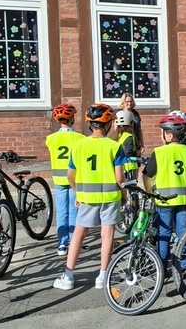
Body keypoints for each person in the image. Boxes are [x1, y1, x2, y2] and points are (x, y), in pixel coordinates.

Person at [53, 103, 126, 290]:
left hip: (86, 197)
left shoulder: (78, 146)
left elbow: (70, 175)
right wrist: (123, 194)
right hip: (110, 197)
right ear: (109, 123)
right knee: (107, 234)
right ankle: (103, 276)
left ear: (90, 124)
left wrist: (77, 193)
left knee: (78, 234)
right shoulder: (114, 146)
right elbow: (119, 177)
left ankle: (68, 276)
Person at [142, 115, 186, 270]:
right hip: (185, 200)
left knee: (164, 233)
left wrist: (150, 193)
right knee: (185, 232)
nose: (160, 135)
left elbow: (146, 174)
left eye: (162, 132)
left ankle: (161, 265)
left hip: (164, 200)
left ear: (169, 135)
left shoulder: (159, 152)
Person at [45, 103, 85, 256]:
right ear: (72, 118)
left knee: (61, 211)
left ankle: (62, 243)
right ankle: (74, 242)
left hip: (58, 179)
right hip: (75, 179)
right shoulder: (80, 138)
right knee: (74, 211)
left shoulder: (51, 138)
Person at [109, 110, 138, 181]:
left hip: (116, 168)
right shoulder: (129, 136)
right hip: (129, 170)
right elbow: (128, 152)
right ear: (131, 123)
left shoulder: (113, 137)